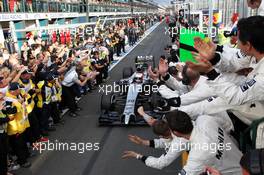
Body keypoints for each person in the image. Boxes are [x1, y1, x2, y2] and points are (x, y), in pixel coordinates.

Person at [166, 110, 242, 175]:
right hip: (241, 158)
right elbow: (226, 126)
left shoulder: (197, 155)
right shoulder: (205, 119)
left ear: (176, 133)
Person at [0, 92, 15, 175]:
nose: (3, 100)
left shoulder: (2, 106)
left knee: (4, 152)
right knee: (2, 155)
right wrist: (8, 118)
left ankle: (6, 171)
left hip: (4, 132)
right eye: (1, 99)